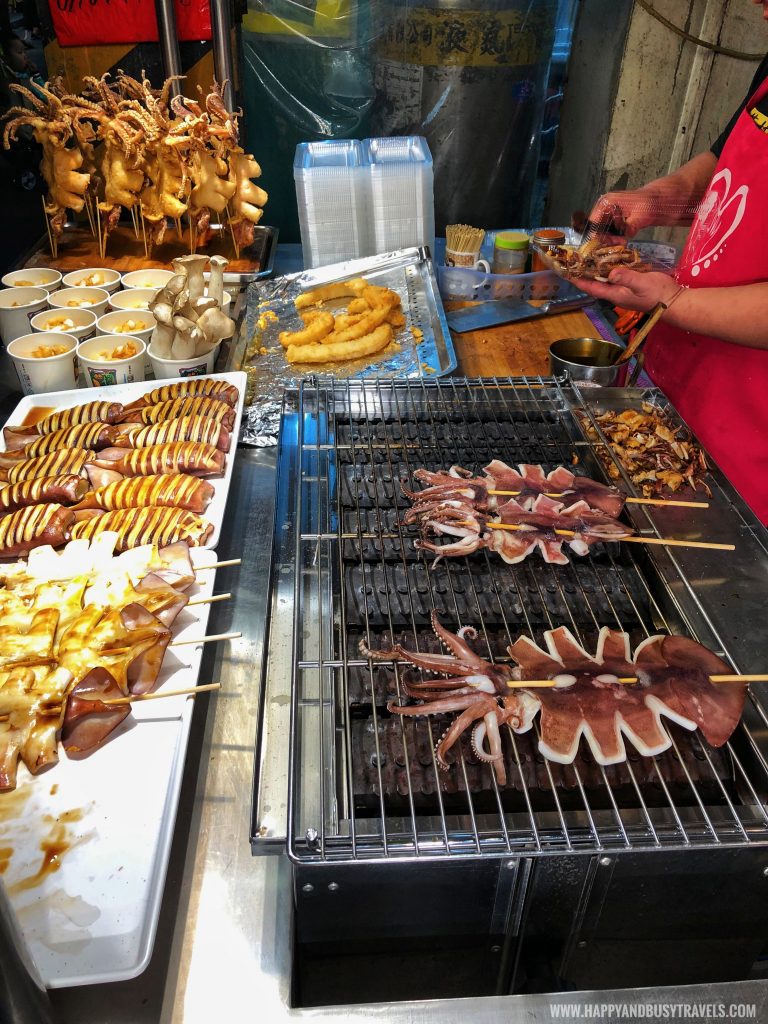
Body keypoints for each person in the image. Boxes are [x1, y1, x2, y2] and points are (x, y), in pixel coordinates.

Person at [575, 0, 768, 525]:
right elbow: (726, 158)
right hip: (683, 385)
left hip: (752, 441)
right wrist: (657, 200)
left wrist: (672, 299)